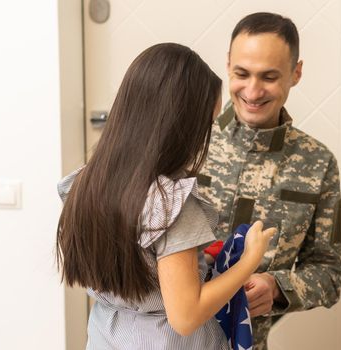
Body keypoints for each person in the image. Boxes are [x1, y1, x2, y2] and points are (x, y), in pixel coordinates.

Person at [55, 43, 277, 350]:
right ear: (181, 125)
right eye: (206, 125)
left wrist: (200, 258)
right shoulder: (171, 203)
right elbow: (186, 315)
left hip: (106, 334)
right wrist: (249, 261)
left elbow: (140, 266)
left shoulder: (86, 183)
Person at [197, 12, 341, 349]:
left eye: (268, 76)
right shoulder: (187, 143)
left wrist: (277, 286)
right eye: (242, 73)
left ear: (296, 73)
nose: (252, 90)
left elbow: (329, 272)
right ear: (227, 65)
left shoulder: (318, 163)